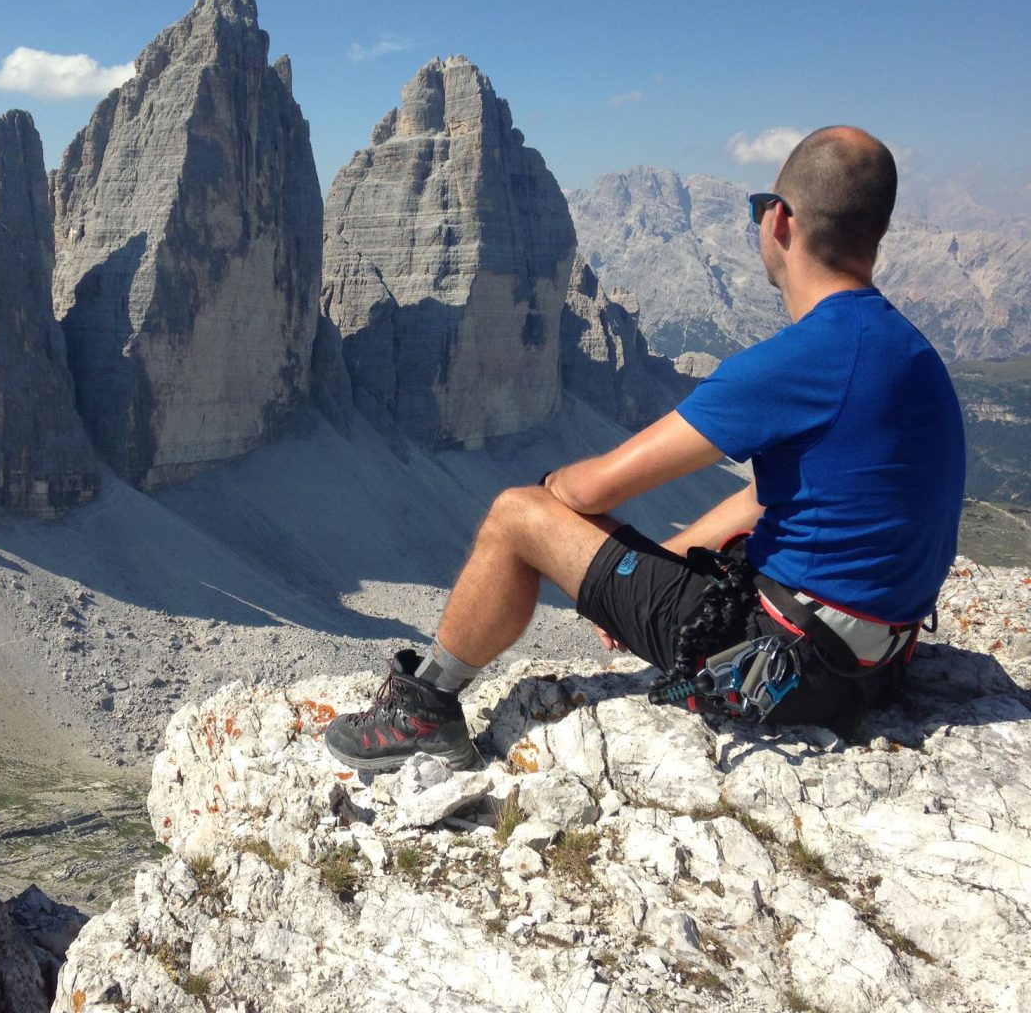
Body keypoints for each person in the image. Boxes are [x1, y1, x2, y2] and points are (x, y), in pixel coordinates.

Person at [325, 125, 966, 772]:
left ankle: (424, 707)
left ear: (779, 222)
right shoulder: (908, 352)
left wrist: (555, 489)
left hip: (777, 670)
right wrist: (648, 577)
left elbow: (590, 491)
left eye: (758, 209)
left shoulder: (799, 361)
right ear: (874, 233)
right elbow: (765, 496)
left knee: (516, 514)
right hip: (867, 667)